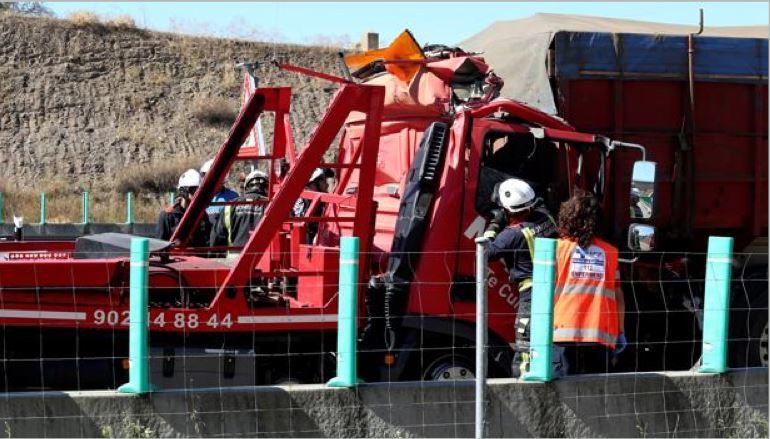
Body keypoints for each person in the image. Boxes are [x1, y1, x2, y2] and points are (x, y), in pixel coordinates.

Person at [483, 177, 558, 378]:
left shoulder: (511, 235)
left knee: (525, 340)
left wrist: (494, 224)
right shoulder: (547, 218)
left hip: (530, 293)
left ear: (508, 210)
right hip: (553, 288)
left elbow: (485, 252)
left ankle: (524, 380)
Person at [553, 190, 626, 375]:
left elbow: (545, 294)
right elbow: (618, 297)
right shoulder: (610, 253)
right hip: (600, 334)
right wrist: (621, 331)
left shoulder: (556, 249)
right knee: (595, 396)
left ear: (566, 217)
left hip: (561, 332)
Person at [210, 169, 269, 249]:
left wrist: (215, 258)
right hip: (263, 258)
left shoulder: (230, 206)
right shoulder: (271, 206)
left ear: (246, 187)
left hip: (234, 259)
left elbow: (217, 236)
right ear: (267, 187)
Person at [156, 169, 212, 247]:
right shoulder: (167, 216)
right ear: (183, 191)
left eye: (200, 191)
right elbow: (160, 246)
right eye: (194, 191)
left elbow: (207, 243)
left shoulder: (201, 215)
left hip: (197, 258)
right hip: (176, 258)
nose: (198, 195)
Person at [292, 168, 331, 243]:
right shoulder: (305, 200)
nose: (327, 184)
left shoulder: (318, 199)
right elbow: (302, 227)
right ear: (313, 184)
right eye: (323, 181)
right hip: (308, 240)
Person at [200, 159, 239, 224]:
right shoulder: (201, 197)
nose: (214, 179)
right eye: (210, 176)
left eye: (217, 176)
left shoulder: (233, 196)